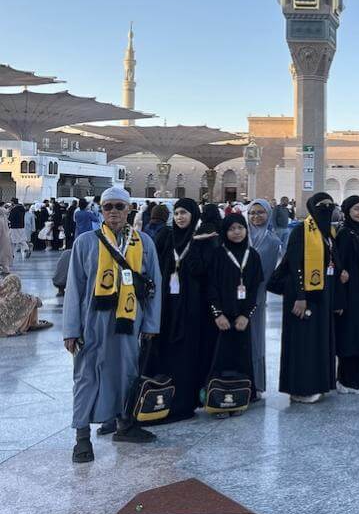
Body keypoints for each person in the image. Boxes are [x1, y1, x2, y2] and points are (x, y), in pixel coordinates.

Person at [62, 186, 162, 464]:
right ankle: (82, 438)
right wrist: (71, 329)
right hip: (92, 322)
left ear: (129, 209)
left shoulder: (144, 243)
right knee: (86, 377)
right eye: (108, 207)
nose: (114, 212)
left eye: (120, 206)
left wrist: (152, 323)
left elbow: (155, 286)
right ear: (101, 210)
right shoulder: (85, 242)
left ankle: (124, 425)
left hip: (129, 322)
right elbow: (74, 288)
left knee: (125, 374)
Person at [152, 198, 215, 422]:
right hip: (168, 305)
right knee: (167, 350)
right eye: (177, 213)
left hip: (192, 307)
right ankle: (165, 396)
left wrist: (196, 244)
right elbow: (157, 266)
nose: (180, 217)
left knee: (187, 354)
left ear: (193, 216)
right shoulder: (166, 238)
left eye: (184, 213)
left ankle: (185, 400)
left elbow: (203, 272)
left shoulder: (204, 240)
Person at [277, 192, 338, 403]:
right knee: (302, 343)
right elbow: (294, 267)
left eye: (331, 205)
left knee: (317, 341)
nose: (327, 208)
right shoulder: (302, 231)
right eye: (322, 205)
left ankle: (318, 383)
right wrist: (301, 296)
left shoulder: (327, 232)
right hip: (301, 296)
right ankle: (300, 388)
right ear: (312, 207)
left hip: (322, 295)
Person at [205, 214, 262, 416]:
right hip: (221, 319)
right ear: (224, 232)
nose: (236, 232)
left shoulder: (252, 256)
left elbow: (255, 289)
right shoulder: (217, 255)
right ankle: (217, 399)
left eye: (240, 227)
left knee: (241, 357)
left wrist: (246, 315)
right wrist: (217, 314)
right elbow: (210, 288)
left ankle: (240, 397)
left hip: (241, 319)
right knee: (220, 359)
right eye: (231, 229)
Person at [332, 196, 359, 394]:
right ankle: (346, 380)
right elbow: (339, 267)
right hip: (350, 294)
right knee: (349, 336)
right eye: (356, 209)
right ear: (347, 211)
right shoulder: (344, 234)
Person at [244, 198, 282, 397]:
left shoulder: (273, 241)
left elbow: (267, 274)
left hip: (257, 298)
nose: (256, 217)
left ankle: (256, 384)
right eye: (252, 213)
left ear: (268, 214)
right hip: (236, 297)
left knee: (256, 339)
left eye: (260, 212)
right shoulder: (239, 235)